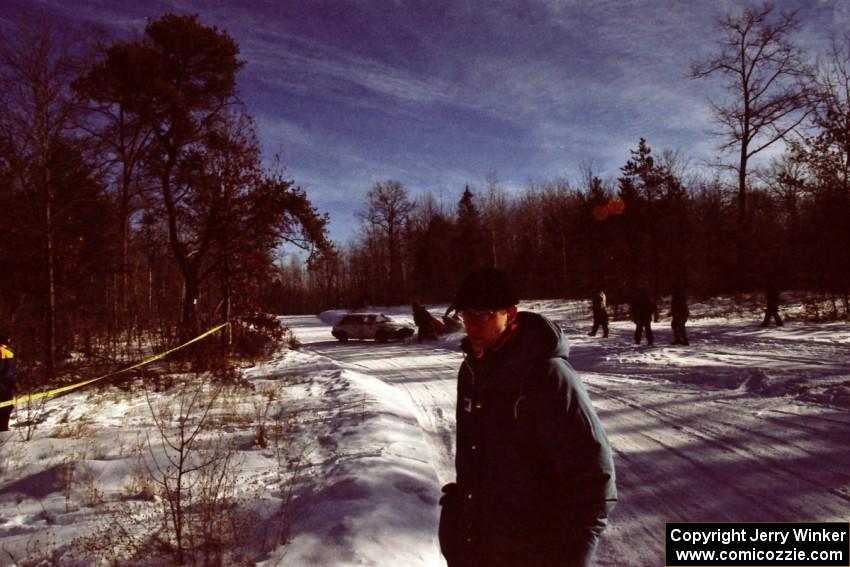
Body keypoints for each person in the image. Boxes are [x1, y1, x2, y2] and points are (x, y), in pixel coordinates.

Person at [439, 267, 617, 567]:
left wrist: (572, 557)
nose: (471, 325)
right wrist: (457, 514)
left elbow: (594, 478)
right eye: (466, 315)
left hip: (537, 551)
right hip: (481, 546)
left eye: (483, 314)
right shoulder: (471, 371)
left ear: (510, 313)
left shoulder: (547, 376)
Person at [0, 333, 15, 432]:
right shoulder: (7, 352)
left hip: (5, 383)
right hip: (5, 384)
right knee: (6, 406)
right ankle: (3, 428)